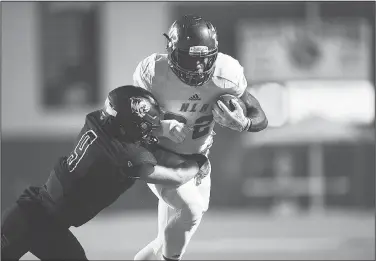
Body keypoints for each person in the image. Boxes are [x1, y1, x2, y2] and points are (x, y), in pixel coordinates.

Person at [1, 85, 208, 261]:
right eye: (146, 125)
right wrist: (199, 161)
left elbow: (133, 132)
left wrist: (162, 128)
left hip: (46, 223)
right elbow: (177, 177)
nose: (150, 129)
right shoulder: (124, 156)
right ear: (131, 125)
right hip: (30, 221)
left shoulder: (98, 121)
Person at [133, 14, 268, 261]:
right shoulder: (154, 74)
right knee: (190, 210)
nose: (197, 67)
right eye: (188, 57)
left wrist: (244, 122)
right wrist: (162, 127)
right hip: (159, 156)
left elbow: (260, 116)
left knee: (167, 238)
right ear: (171, 51)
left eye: (204, 59)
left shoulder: (226, 74)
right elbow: (129, 123)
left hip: (197, 160)